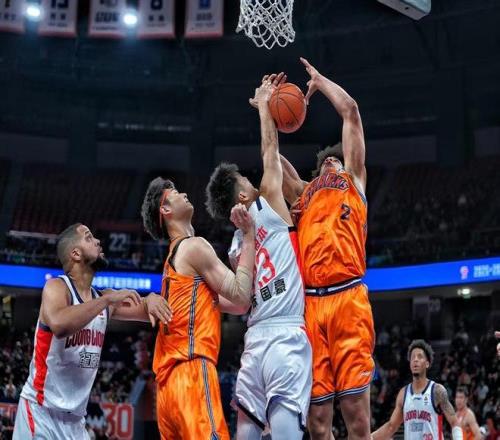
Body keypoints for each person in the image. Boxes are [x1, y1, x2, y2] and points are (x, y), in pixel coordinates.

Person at [206, 72, 312, 440]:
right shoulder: (268, 205)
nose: (252, 181)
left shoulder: (236, 246)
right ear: (241, 196)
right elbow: (270, 150)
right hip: (285, 335)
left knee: (247, 431)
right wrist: (265, 107)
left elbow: (239, 303)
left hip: (254, 341)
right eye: (244, 181)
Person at [280, 57, 373, 440]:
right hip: (311, 306)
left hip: (348, 298)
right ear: (317, 170)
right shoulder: (304, 195)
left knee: (357, 419)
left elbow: (350, 111)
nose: (332, 160)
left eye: (336, 157)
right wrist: (268, 110)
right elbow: (271, 161)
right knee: (318, 424)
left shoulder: (354, 180)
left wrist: (320, 81)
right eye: (326, 160)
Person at [13, 223, 171, 440]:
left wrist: (152, 299)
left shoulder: (103, 299)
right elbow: (59, 324)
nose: (97, 241)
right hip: (41, 414)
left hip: (76, 422)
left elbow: (149, 309)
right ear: (75, 254)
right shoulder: (57, 288)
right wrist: (107, 300)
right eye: (88, 237)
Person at [141, 178, 255, 439]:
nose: (183, 193)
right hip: (191, 370)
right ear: (165, 209)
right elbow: (240, 295)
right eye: (175, 193)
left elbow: (236, 306)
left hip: (167, 388)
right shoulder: (194, 246)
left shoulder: (171, 262)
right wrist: (248, 236)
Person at [372, 340, 463, 440]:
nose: (415, 360)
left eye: (420, 357)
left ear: (427, 364)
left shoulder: (437, 391)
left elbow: (454, 422)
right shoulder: (403, 394)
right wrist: (369, 437)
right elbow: (391, 427)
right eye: (412, 357)